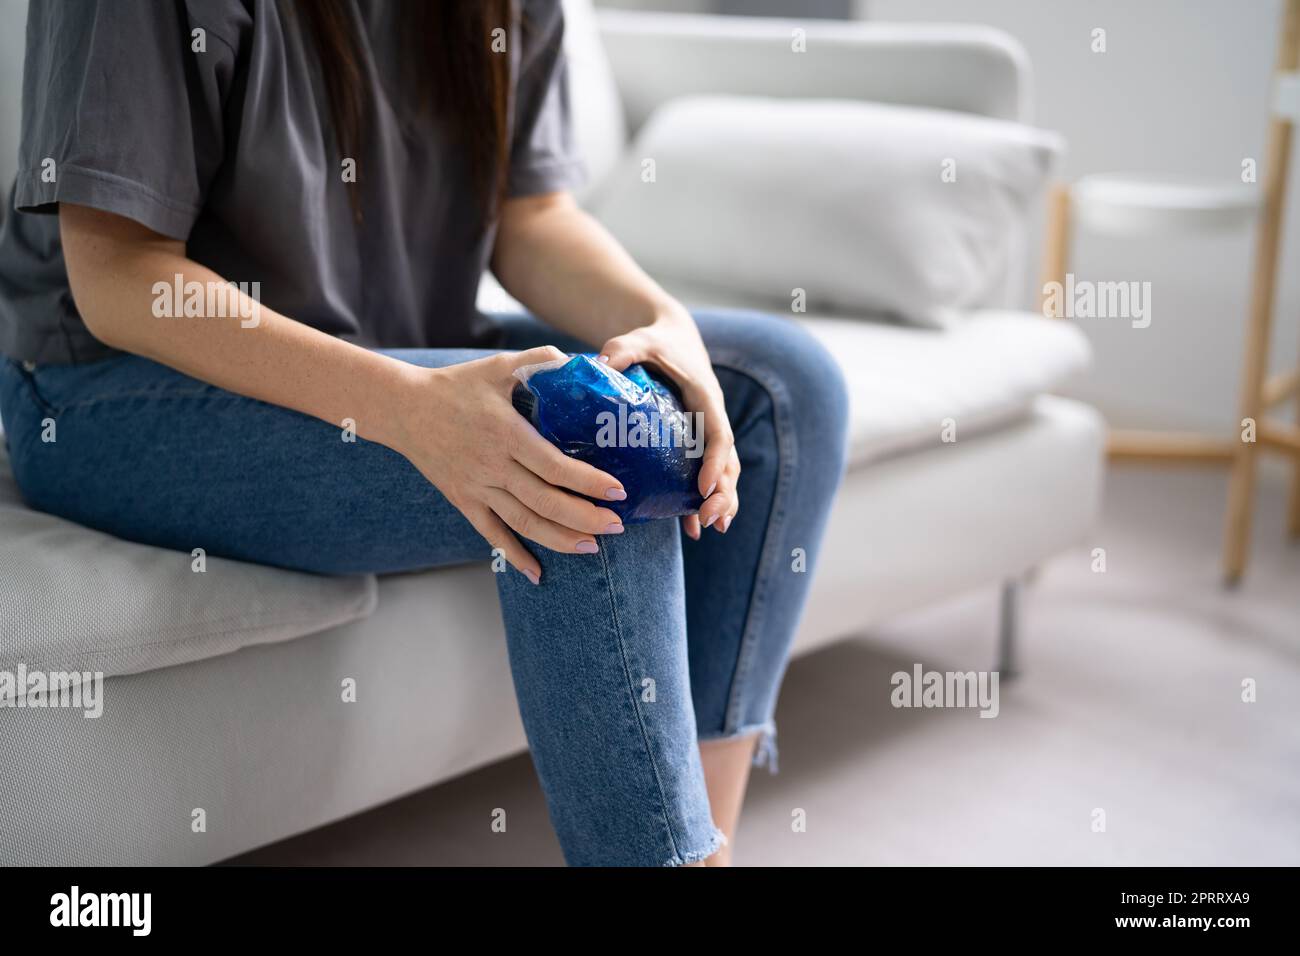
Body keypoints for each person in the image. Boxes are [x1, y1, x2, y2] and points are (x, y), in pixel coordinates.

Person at [0, 0, 848, 866]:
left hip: (385, 337)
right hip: (112, 388)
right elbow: (119, 278)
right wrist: (406, 407)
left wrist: (662, 324)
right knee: (588, 438)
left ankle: (708, 847)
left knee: (777, 386)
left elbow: (529, 218)